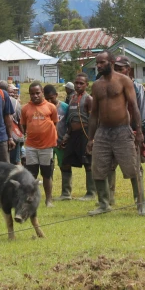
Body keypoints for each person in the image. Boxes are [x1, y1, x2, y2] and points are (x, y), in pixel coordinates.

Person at [86, 52, 145, 216]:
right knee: (98, 168)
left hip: (122, 130)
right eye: (97, 63)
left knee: (132, 167)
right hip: (102, 132)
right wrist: (90, 138)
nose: (99, 66)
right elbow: (93, 114)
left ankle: (141, 203)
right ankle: (103, 204)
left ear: (111, 62)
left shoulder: (123, 81)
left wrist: (139, 131)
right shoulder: (96, 85)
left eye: (102, 62)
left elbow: (134, 107)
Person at [112, 56, 145, 204]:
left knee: (134, 165)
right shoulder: (109, 85)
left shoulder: (137, 88)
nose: (118, 71)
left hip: (131, 131)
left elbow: (143, 110)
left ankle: (139, 197)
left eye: (121, 68)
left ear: (128, 69)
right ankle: (109, 199)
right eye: (115, 68)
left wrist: (141, 131)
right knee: (109, 165)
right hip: (111, 130)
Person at [58, 73, 95, 202]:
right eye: (77, 83)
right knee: (66, 162)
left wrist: (92, 138)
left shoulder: (89, 99)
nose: (78, 85)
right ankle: (66, 193)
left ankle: (91, 193)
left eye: (81, 83)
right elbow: (69, 119)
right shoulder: (72, 98)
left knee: (88, 163)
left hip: (84, 134)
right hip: (72, 134)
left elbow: (93, 120)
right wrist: (67, 135)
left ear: (86, 85)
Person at [20, 82, 58, 206]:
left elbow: (54, 123)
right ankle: (31, 198)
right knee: (31, 175)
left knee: (47, 174)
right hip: (31, 146)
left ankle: (48, 199)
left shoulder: (51, 107)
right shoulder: (25, 108)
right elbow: (24, 125)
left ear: (42, 92)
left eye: (37, 93)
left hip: (47, 146)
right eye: (32, 93)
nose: (35, 96)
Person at [45, 85, 70, 200]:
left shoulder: (65, 107)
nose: (49, 101)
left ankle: (66, 193)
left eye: (51, 98)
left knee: (64, 166)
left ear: (56, 95)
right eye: (47, 99)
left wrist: (66, 137)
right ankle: (49, 194)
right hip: (47, 143)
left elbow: (70, 124)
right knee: (48, 167)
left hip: (61, 142)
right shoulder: (43, 107)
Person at [0, 81, 23, 164]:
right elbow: (20, 122)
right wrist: (22, 134)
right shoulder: (16, 103)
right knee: (15, 162)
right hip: (14, 136)